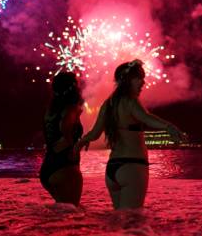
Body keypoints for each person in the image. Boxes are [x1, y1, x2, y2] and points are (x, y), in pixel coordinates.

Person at [78, 59, 186, 210]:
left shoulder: (108, 104)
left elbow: (94, 134)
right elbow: (146, 118)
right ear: (128, 80)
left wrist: (81, 142)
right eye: (139, 78)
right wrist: (169, 127)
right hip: (132, 168)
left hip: (112, 170)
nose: (143, 82)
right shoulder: (130, 101)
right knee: (133, 223)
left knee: (120, 222)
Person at [39, 71, 85, 205]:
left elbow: (48, 133)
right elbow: (65, 126)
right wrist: (75, 145)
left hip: (48, 166)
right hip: (65, 165)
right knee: (72, 214)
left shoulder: (49, 109)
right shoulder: (72, 108)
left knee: (62, 212)